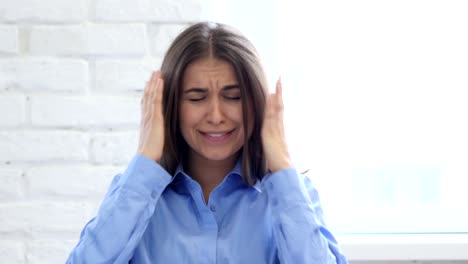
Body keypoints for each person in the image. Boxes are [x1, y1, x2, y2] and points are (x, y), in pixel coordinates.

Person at [66, 22, 348, 263]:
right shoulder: (135, 195)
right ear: (172, 106)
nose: (216, 116)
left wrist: (282, 166)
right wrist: (146, 159)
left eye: (233, 97)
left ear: (256, 104)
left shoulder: (292, 196)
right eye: (197, 98)